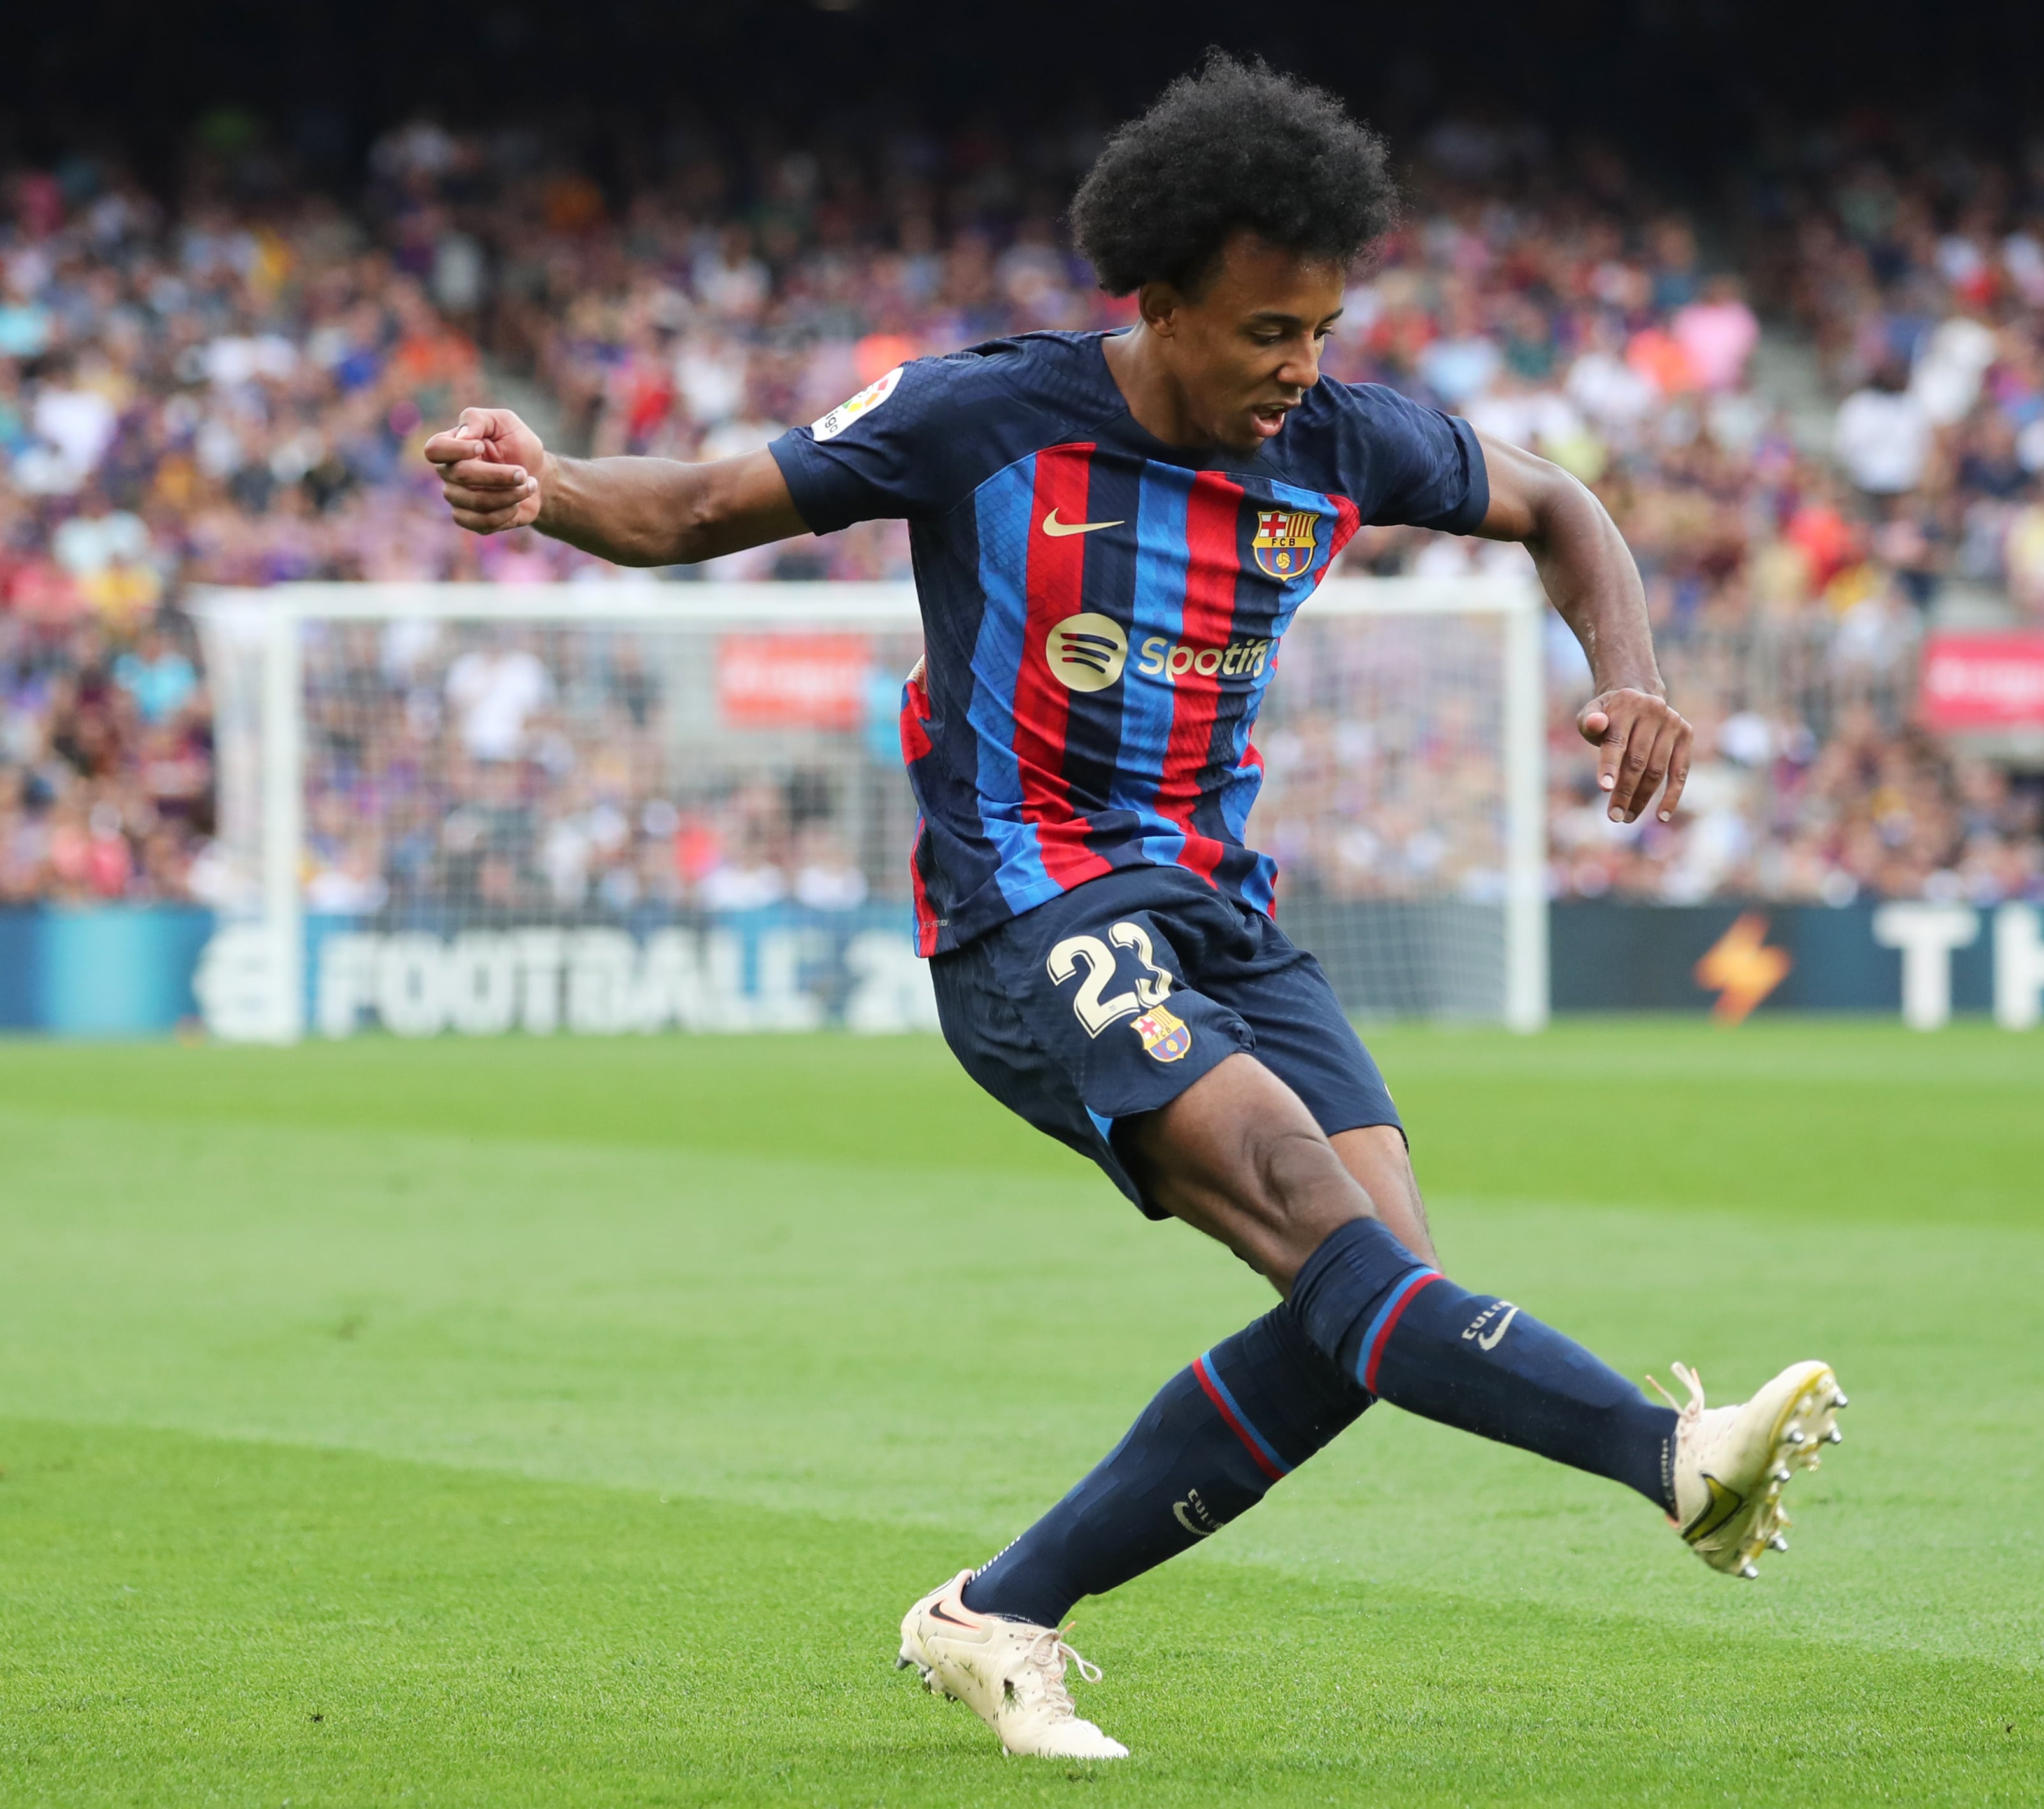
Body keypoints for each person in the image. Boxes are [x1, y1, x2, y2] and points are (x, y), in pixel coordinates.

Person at [425, 55, 1843, 1763]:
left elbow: (1557, 506)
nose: (1298, 369)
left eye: (1319, 328)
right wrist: (545, 483)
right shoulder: (982, 415)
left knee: (1367, 1309)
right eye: (1263, 331)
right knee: (1319, 1228)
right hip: (1032, 909)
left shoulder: (1337, 441)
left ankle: (995, 1613)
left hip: (1215, 913)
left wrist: (1627, 673)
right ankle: (1662, 1458)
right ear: (1158, 303)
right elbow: (707, 504)